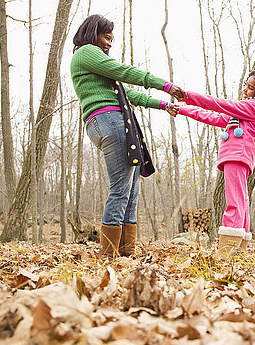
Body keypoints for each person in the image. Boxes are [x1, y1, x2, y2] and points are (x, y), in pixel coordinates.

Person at [70, 14, 185, 258]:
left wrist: (163, 105)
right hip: (108, 120)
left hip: (113, 121)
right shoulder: (85, 52)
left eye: (112, 39)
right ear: (92, 33)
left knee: (132, 191)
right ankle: (109, 255)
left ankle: (125, 253)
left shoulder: (98, 67)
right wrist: (164, 84)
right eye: (106, 36)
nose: (109, 43)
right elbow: (123, 71)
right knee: (121, 189)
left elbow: (128, 95)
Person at [174, 71, 255, 252]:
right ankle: (239, 247)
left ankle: (227, 250)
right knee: (241, 200)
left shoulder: (254, 106)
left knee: (235, 201)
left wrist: (187, 97)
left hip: (237, 155)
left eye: (250, 88)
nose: (245, 90)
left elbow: (219, 105)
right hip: (240, 156)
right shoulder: (243, 114)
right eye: (246, 85)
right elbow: (211, 117)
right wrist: (181, 109)